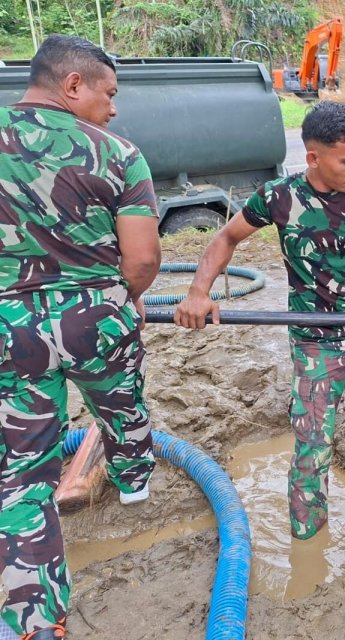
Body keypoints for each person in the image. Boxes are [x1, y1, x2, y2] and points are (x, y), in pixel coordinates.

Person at [175, 101, 345, 541]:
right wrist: (198, 292)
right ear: (313, 157)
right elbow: (227, 237)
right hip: (314, 336)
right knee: (312, 443)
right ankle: (308, 538)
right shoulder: (278, 197)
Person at [0, 35, 161, 639]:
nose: (114, 108)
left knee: (19, 473)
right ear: (73, 86)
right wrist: (129, 301)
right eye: (108, 93)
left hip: (9, 328)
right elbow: (142, 259)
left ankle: (36, 622)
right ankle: (136, 484)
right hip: (97, 318)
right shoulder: (118, 153)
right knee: (121, 403)